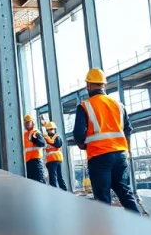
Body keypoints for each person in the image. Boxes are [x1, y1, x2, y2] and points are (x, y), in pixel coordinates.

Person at [74, 68, 140, 212]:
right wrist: (126, 151)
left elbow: (79, 135)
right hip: (121, 155)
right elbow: (128, 130)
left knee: (102, 199)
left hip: (99, 156)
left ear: (88, 86)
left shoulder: (85, 106)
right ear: (104, 85)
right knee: (125, 192)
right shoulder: (118, 105)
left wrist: (84, 145)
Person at [22, 114, 47, 183]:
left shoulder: (36, 132)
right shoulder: (24, 134)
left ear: (32, 122)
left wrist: (35, 140)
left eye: (28, 122)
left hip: (36, 161)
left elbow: (43, 143)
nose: (27, 124)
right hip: (27, 162)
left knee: (40, 181)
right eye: (26, 122)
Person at [43, 121, 67, 191]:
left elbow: (58, 144)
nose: (50, 131)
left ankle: (64, 191)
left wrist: (47, 139)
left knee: (58, 177)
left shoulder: (57, 137)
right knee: (53, 179)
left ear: (54, 129)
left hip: (56, 160)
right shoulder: (46, 139)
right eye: (49, 129)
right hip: (50, 161)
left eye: (52, 129)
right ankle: (56, 193)